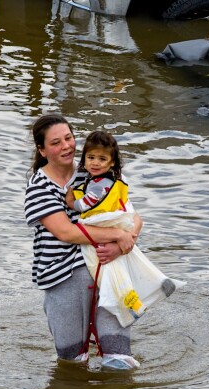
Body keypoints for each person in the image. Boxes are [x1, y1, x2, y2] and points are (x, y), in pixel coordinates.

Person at [25, 114, 140, 370]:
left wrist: (124, 241)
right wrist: (116, 235)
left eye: (68, 138)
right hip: (62, 276)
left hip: (107, 270)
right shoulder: (38, 187)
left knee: (119, 358)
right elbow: (66, 232)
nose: (66, 146)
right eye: (56, 143)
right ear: (42, 150)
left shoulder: (94, 169)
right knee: (71, 362)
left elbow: (132, 216)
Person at [68, 131, 178, 327]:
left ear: (111, 162)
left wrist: (70, 201)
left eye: (102, 159)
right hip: (120, 221)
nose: (95, 163)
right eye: (90, 157)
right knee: (131, 255)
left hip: (102, 224)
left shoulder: (98, 184)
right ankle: (158, 280)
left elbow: (85, 204)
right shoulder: (117, 178)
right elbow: (129, 207)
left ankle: (127, 304)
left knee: (102, 266)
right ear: (83, 158)